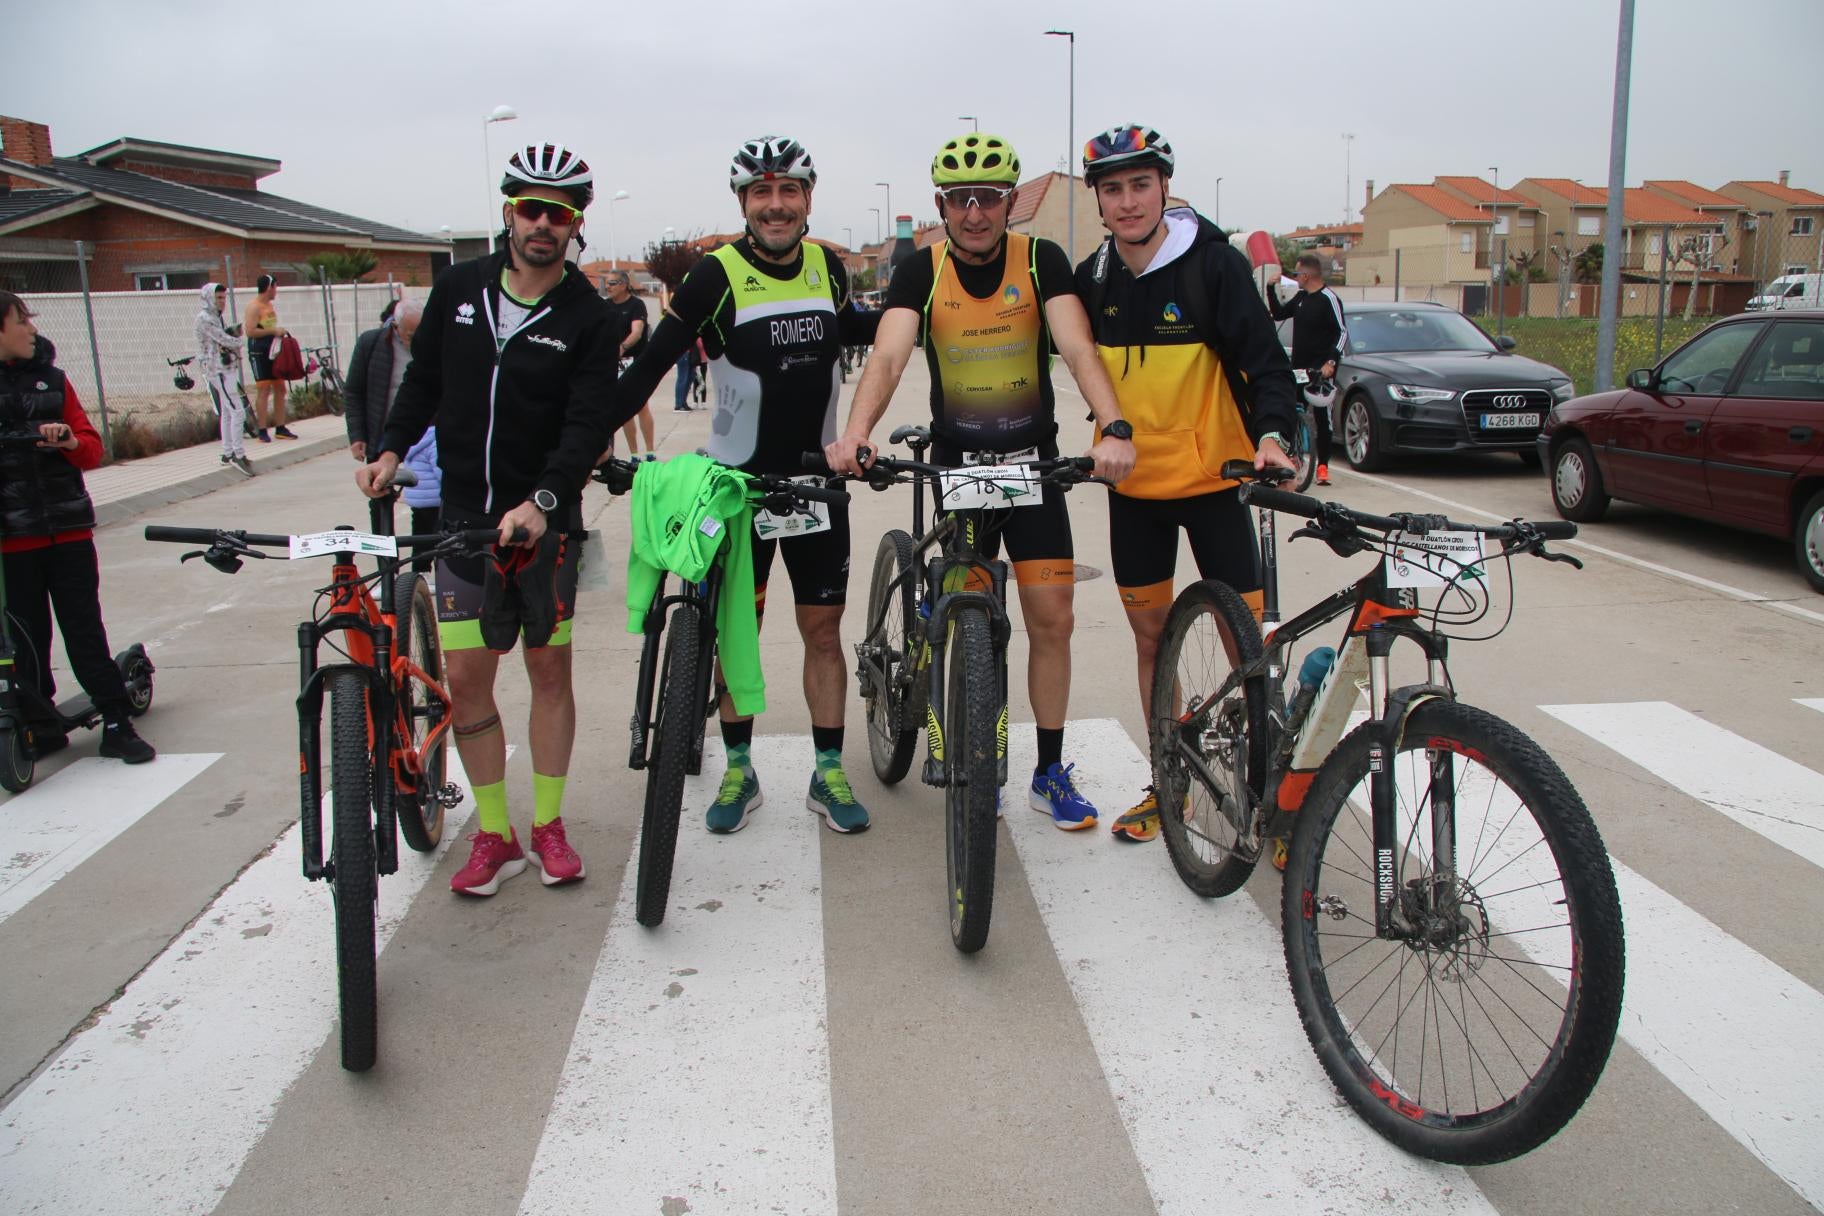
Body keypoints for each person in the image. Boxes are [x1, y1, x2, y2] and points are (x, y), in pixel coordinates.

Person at [824, 132, 1136, 832]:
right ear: (941, 205)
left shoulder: (1040, 260)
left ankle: (1049, 771)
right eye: (960, 200)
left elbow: (1079, 346)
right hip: (960, 467)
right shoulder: (920, 270)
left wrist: (1112, 426)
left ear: (1009, 204)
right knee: (965, 617)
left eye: (989, 198)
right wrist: (858, 431)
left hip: (1033, 463)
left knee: (1052, 620)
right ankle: (971, 757)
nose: (974, 212)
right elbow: (889, 354)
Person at [356, 142, 617, 896]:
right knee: (468, 679)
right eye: (531, 208)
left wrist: (542, 503)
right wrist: (389, 447)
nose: (543, 223)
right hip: (462, 518)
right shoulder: (459, 288)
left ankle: (550, 826)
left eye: (559, 213)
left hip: (545, 522)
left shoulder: (589, 317)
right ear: (509, 211)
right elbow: (426, 381)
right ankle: (496, 834)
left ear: (575, 225)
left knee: (548, 670)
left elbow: (585, 424)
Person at [615, 135, 879, 836]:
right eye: (761, 193)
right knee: (739, 633)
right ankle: (739, 767)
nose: (776, 205)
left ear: (808, 199)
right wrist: (590, 435)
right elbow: (653, 364)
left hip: (819, 486)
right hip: (739, 490)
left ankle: (828, 771)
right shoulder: (716, 274)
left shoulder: (827, 266)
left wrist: (921, 316)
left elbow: (855, 327)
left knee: (823, 633)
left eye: (789, 191)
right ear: (743, 202)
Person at [1072, 123, 1297, 843]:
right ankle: (1170, 777)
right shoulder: (1093, 279)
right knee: (1152, 642)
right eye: (1113, 189)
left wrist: (1271, 436)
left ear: (1164, 187)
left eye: (1141, 184)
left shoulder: (1214, 265)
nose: (1129, 201)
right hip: (1135, 489)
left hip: (1213, 481)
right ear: (1099, 201)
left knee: (1248, 648)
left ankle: (1275, 795)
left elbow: (1267, 364)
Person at [0, 291, 155, 764]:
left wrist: (67, 440)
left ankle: (115, 721)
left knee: (83, 628)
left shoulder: (54, 381)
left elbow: (91, 448)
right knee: (24, 638)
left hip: (67, 533)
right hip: (12, 541)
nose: (32, 328)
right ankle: (40, 722)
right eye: (22, 320)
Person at [1267, 253, 1346, 485]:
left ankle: (1322, 466)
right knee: (1291, 412)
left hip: (1322, 370)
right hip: (1299, 368)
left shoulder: (1329, 299)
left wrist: (1331, 362)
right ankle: (1295, 457)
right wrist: (1271, 289)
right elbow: (1279, 313)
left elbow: (1341, 332)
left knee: (1323, 418)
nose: (1296, 278)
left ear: (1307, 275)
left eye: (1298, 273)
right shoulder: (1301, 298)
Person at [343, 297, 424, 464]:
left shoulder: (433, 347)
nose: (417, 341)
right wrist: (357, 435)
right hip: (382, 440)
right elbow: (353, 392)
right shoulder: (370, 344)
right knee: (382, 487)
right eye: (410, 336)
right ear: (396, 326)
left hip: (423, 442)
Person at [194, 282, 253, 477]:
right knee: (238, 410)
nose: (222, 302)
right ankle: (238, 454)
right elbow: (221, 339)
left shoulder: (215, 317)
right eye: (218, 298)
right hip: (217, 369)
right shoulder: (205, 318)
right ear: (209, 298)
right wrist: (239, 341)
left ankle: (228, 452)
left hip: (224, 366)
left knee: (228, 411)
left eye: (223, 298)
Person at [602, 270, 659, 453]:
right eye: (606, 283)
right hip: (615, 364)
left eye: (612, 283)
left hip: (636, 361)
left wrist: (622, 347)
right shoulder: (605, 306)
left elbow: (637, 332)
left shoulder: (636, 305)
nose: (608, 287)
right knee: (624, 410)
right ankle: (634, 453)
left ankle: (650, 451)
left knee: (641, 406)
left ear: (624, 284)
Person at [241, 274, 296, 442]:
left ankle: (280, 426)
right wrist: (273, 331)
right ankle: (262, 429)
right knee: (264, 389)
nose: (276, 291)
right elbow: (250, 331)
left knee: (280, 388)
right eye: (275, 287)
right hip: (259, 350)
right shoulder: (254, 307)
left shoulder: (269, 305)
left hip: (272, 349)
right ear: (269, 287)